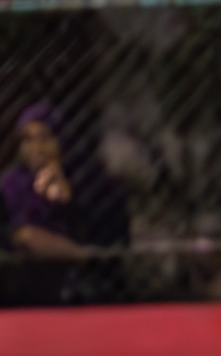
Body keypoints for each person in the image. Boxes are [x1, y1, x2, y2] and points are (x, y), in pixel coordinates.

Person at [0, 103, 130, 306]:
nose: (36, 147)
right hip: (24, 280)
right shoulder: (11, 184)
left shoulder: (88, 179)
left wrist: (68, 202)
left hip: (83, 280)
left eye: (44, 138)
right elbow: (19, 233)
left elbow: (108, 229)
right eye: (27, 139)